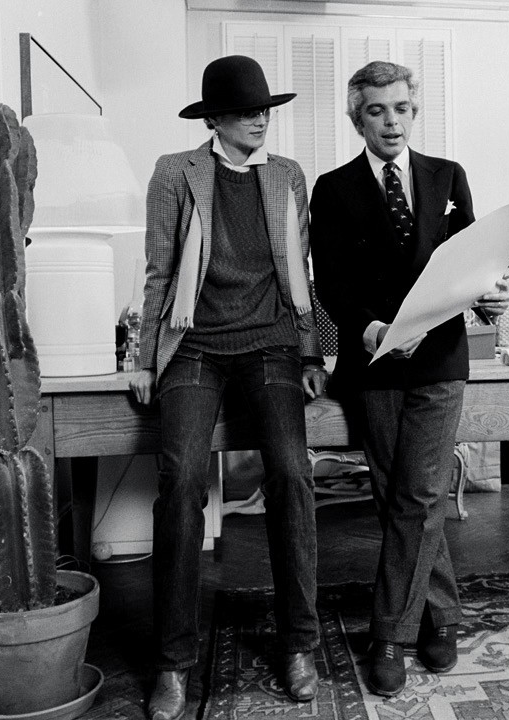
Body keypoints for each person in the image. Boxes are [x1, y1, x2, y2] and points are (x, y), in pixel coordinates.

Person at [129, 55, 327, 720]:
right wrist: (143, 359)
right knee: (181, 477)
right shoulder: (175, 172)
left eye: (264, 109)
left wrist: (311, 351)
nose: (259, 120)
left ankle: (299, 643)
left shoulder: (287, 175)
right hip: (195, 344)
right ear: (214, 119)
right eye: (245, 111)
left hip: (270, 341)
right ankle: (172, 663)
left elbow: (301, 272)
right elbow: (159, 272)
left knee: (293, 473)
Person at [309, 60, 508, 698]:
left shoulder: (448, 176)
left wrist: (486, 294)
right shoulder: (332, 188)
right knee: (401, 498)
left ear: (414, 112)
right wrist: (371, 329)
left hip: (439, 359)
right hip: (373, 362)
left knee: (418, 494)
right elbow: (330, 280)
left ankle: (389, 636)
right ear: (357, 119)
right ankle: (441, 616)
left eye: (401, 108)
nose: (391, 121)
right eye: (377, 110)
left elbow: (468, 264)